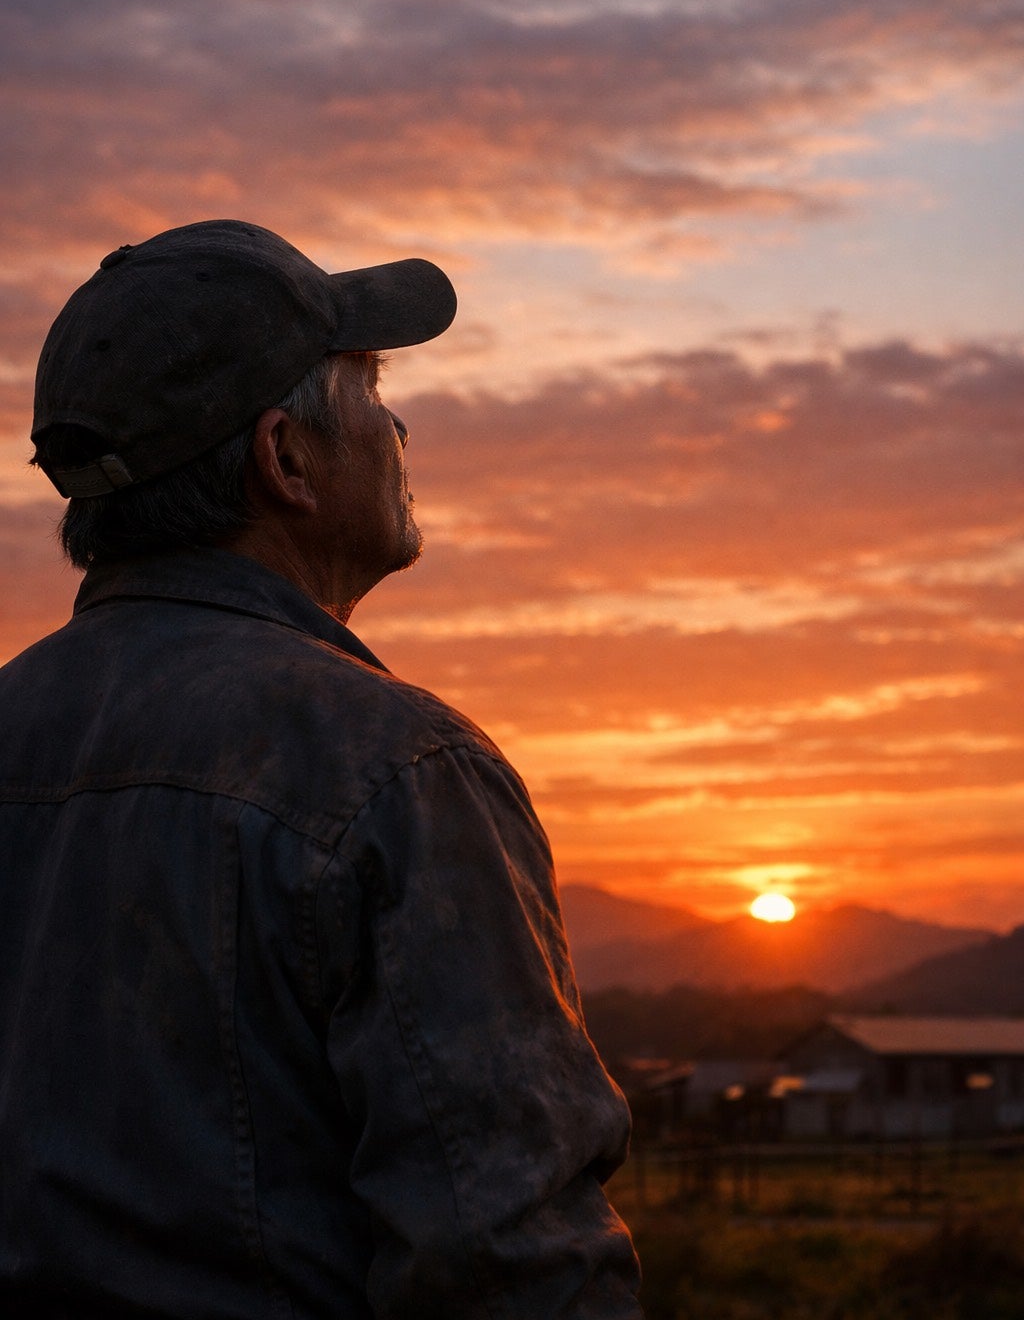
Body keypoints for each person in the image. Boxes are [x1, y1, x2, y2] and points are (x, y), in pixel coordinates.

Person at [0, 220, 642, 1318]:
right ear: (285, 458)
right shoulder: (398, 770)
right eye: (371, 387)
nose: (399, 427)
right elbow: (512, 1265)